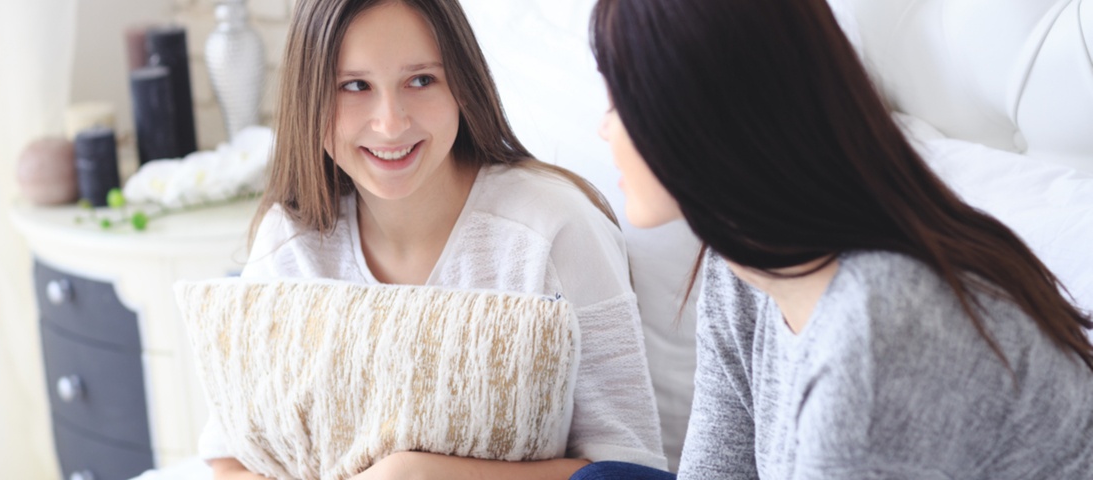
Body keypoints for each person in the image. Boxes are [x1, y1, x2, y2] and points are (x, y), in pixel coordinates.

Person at [571, 0, 1093, 478]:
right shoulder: (743, 264)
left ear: (693, 110)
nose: (603, 128)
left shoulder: (878, 323)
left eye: (619, 100)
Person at [201, 0, 668, 478]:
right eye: (354, 86)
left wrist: (420, 474)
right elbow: (234, 455)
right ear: (310, 97)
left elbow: (628, 467)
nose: (391, 122)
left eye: (420, 80)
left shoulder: (553, 227)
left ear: (462, 86)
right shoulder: (290, 238)